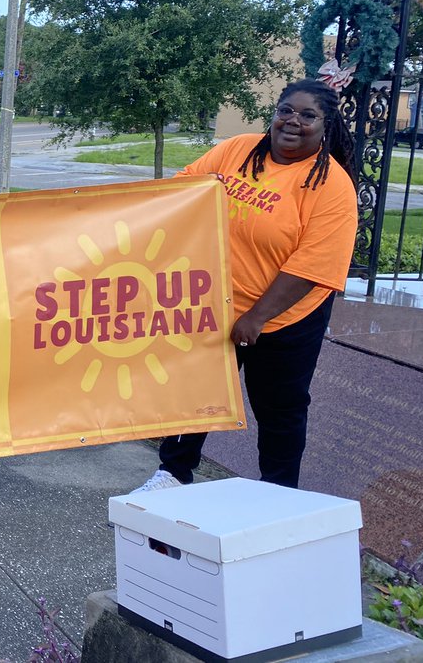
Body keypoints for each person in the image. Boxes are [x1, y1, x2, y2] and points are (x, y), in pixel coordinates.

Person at [135, 78, 357, 493]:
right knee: (197, 393)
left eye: (308, 115)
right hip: (215, 302)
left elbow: (312, 267)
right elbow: (185, 187)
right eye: (285, 110)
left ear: (325, 126)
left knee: (279, 408)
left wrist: (257, 317)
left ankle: (277, 492)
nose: (293, 121)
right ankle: (173, 473)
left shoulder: (331, 186)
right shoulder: (239, 149)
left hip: (285, 318)